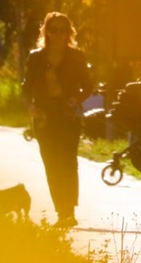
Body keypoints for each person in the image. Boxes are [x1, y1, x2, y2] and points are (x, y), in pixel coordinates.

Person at [22, 12, 93, 228]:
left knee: (68, 161)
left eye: (63, 29)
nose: (58, 34)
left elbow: (89, 86)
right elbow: (27, 86)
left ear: (69, 32)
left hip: (68, 114)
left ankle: (69, 211)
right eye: (54, 29)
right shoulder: (36, 57)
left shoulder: (76, 57)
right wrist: (30, 106)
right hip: (44, 115)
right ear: (46, 32)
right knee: (51, 163)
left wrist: (77, 98)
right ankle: (61, 211)